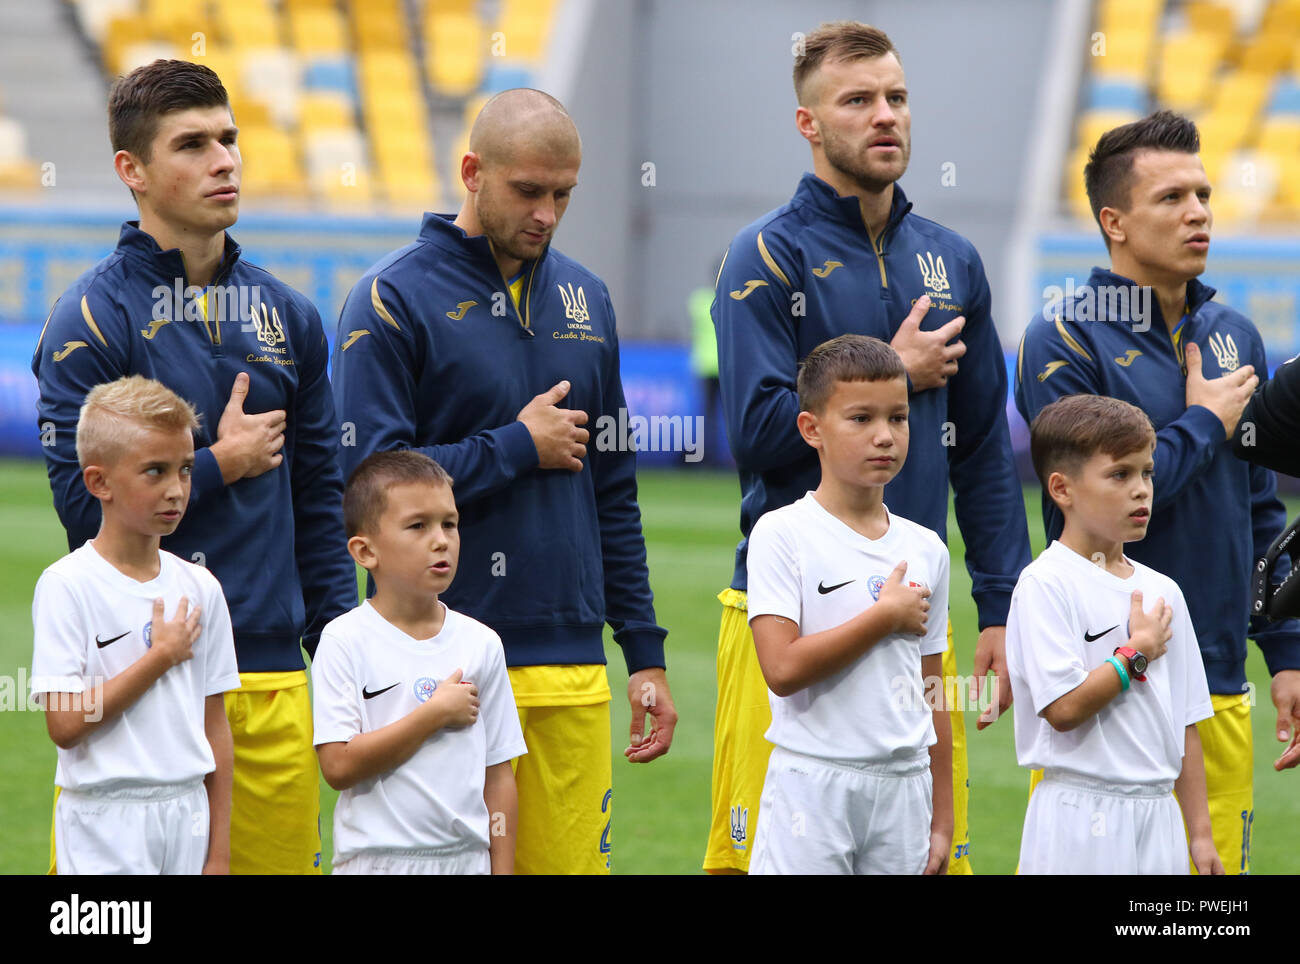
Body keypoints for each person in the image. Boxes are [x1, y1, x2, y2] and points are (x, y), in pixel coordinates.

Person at [706, 20, 1030, 875]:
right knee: (765, 857)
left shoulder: (953, 261)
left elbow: (985, 448)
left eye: (896, 98)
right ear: (809, 124)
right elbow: (756, 431)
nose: (885, 116)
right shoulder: (766, 253)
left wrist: (1002, 602)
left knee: (927, 854)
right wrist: (899, 370)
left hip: (915, 613)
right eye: (858, 101)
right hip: (786, 611)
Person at [331, 87, 677, 875]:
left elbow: (613, 491)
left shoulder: (588, 298)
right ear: (471, 172)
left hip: (571, 659)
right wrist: (517, 446)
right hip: (432, 665)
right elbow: (372, 483)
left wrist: (645, 653)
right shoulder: (388, 300)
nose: (547, 213)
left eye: (563, 194)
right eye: (528, 190)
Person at [31, 59, 357, 874]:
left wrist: (345, 653)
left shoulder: (291, 314)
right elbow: (83, 509)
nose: (224, 160)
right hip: (147, 682)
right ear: (132, 172)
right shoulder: (92, 318)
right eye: (192, 144)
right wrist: (220, 462)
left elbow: (319, 501)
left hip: (272, 677)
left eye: (229, 138)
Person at [1015, 110, 1300, 873]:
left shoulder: (1235, 333)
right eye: (1171, 197)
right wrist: (1204, 420)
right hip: (1111, 677)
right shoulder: (1063, 338)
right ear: (1113, 221)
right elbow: (1107, 505)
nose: (1199, 211)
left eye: (1203, 193)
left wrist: (1286, 652)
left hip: (1217, 681)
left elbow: (1260, 503)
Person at [746, 335, 952, 875]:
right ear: (812, 429)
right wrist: (882, 618)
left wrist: (943, 816)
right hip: (813, 786)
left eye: (899, 418)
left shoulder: (926, 547)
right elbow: (783, 669)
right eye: (861, 419)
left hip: (906, 791)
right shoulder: (782, 533)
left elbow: (933, 690)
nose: (885, 436)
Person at [31, 376, 240, 874]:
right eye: (155, 471)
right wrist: (158, 658)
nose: (176, 489)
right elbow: (64, 724)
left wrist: (219, 851)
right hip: (106, 821)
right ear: (98, 482)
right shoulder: (68, 584)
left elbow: (216, 728)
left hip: (187, 814)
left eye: (186, 469)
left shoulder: (201, 587)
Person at [1007, 394, 1221, 875]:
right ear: (1062, 489)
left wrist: (1200, 833)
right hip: (1079, 816)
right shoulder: (1046, 583)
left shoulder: (1163, 590)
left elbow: (1184, 722)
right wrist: (1136, 654)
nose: (1141, 490)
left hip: (1159, 815)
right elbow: (1062, 709)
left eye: (1146, 472)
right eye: (1120, 475)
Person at [312, 451, 526, 875]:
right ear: (365, 551)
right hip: (376, 864)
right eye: (418, 526)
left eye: (449, 523)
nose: (441, 539)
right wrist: (432, 715)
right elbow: (338, 766)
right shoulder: (343, 640)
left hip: (466, 863)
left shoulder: (482, 643)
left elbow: (499, 776)